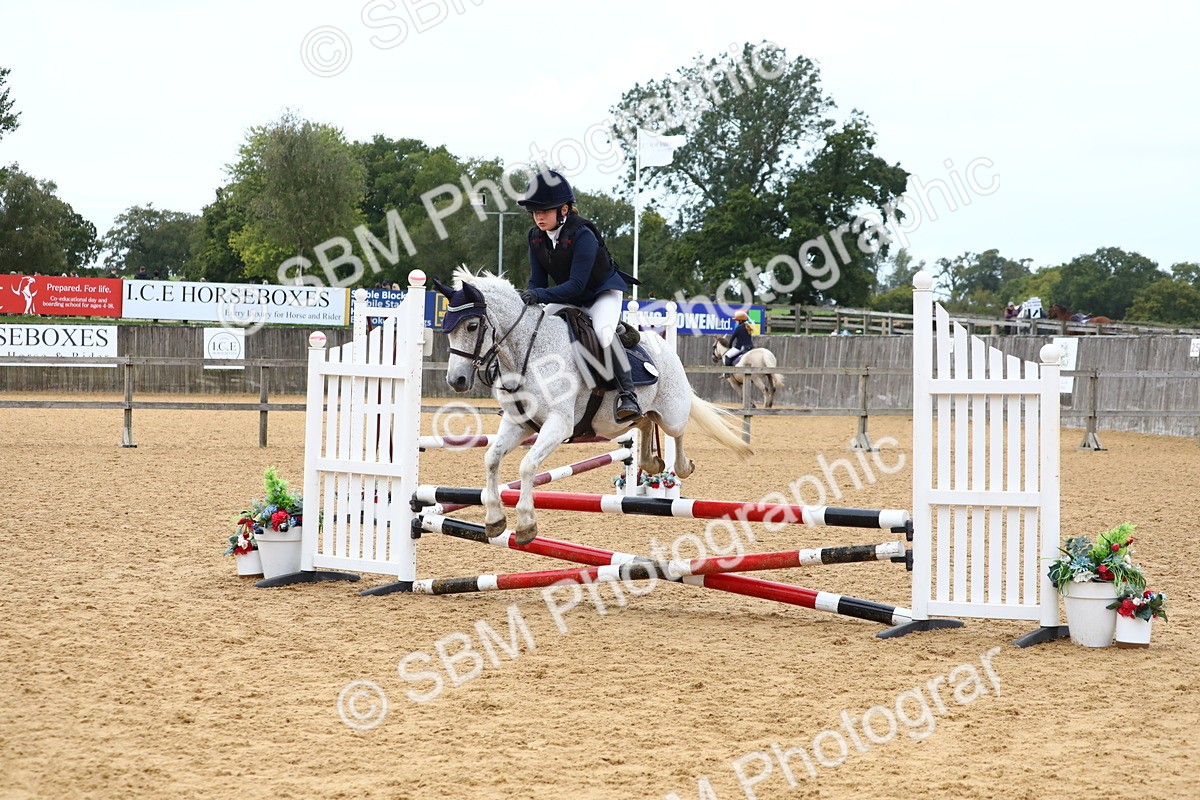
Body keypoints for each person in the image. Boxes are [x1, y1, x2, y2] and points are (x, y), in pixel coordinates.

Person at [516, 169, 642, 423]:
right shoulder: (535, 237)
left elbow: (576, 285)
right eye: (535, 212)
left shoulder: (583, 233)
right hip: (570, 295)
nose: (538, 217)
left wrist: (539, 293)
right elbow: (538, 281)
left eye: (544, 211)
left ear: (563, 210)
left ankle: (629, 395)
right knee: (537, 326)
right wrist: (531, 299)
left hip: (600, 293)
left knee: (604, 332)